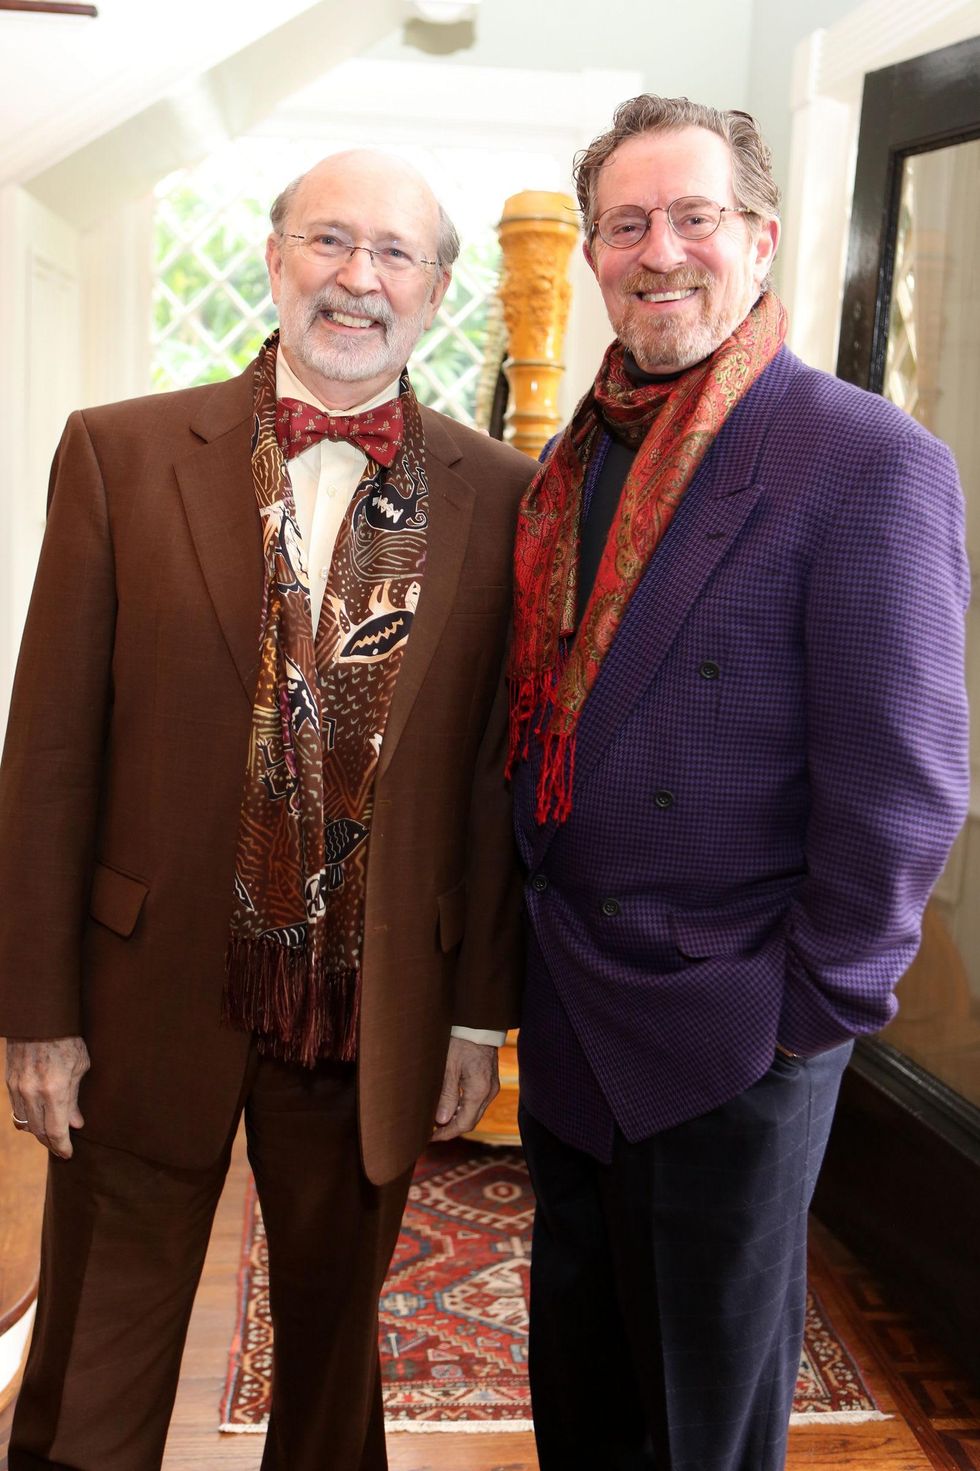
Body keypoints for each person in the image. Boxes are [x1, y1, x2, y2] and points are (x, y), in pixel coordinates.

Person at [0, 149, 533, 1471]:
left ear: (439, 288)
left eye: (395, 252)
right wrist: (36, 1017)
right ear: (275, 256)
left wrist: (478, 1012)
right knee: (92, 1374)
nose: (359, 278)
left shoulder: (506, 495)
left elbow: (490, 778)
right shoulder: (119, 453)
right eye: (329, 240)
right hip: (144, 995)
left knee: (335, 1375)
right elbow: (49, 754)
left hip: (375, 1011)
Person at [507, 95, 969, 1471]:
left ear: (759, 240)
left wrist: (801, 1024)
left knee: (701, 1428)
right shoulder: (574, 456)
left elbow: (906, 786)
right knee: (581, 1392)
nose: (660, 251)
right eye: (625, 224)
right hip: (570, 1008)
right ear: (595, 253)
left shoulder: (867, 460)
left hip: (731, 1030)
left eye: (694, 217)